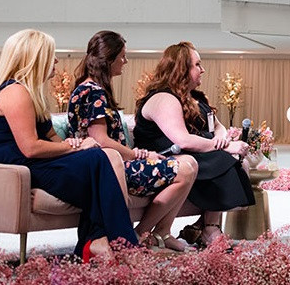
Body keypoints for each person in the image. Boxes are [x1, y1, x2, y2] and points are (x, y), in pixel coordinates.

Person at [0, 29, 137, 260]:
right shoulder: (16, 92)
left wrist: (71, 144)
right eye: (51, 55)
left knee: (96, 160)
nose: (55, 60)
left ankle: (100, 241)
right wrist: (74, 148)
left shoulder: (31, 93)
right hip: (18, 167)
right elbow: (30, 148)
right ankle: (118, 243)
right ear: (36, 58)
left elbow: (51, 135)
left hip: (33, 162)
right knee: (97, 160)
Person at [67, 31, 198, 252]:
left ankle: (163, 232)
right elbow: (100, 140)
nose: (125, 61)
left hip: (117, 163)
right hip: (110, 170)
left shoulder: (90, 89)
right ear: (109, 58)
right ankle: (140, 234)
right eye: (122, 56)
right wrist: (138, 155)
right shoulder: (93, 92)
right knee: (185, 170)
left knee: (190, 162)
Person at [132, 42, 254, 246]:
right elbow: (183, 140)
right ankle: (208, 228)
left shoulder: (195, 97)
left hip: (190, 153)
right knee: (224, 159)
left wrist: (221, 138)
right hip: (164, 155)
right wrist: (223, 146)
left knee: (230, 159)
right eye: (197, 64)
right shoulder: (164, 98)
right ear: (181, 69)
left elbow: (217, 126)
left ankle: (204, 227)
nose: (202, 69)